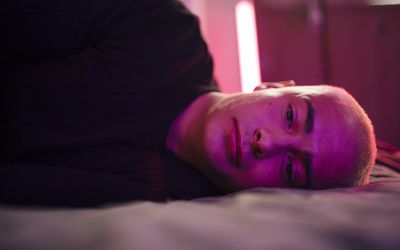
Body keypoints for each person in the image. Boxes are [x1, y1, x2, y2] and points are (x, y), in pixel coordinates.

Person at [0, 0, 376, 206]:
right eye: (291, 115)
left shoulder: (175, 206)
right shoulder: (159, 26)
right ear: (271, 86)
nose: (267, 142)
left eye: (292, 170)